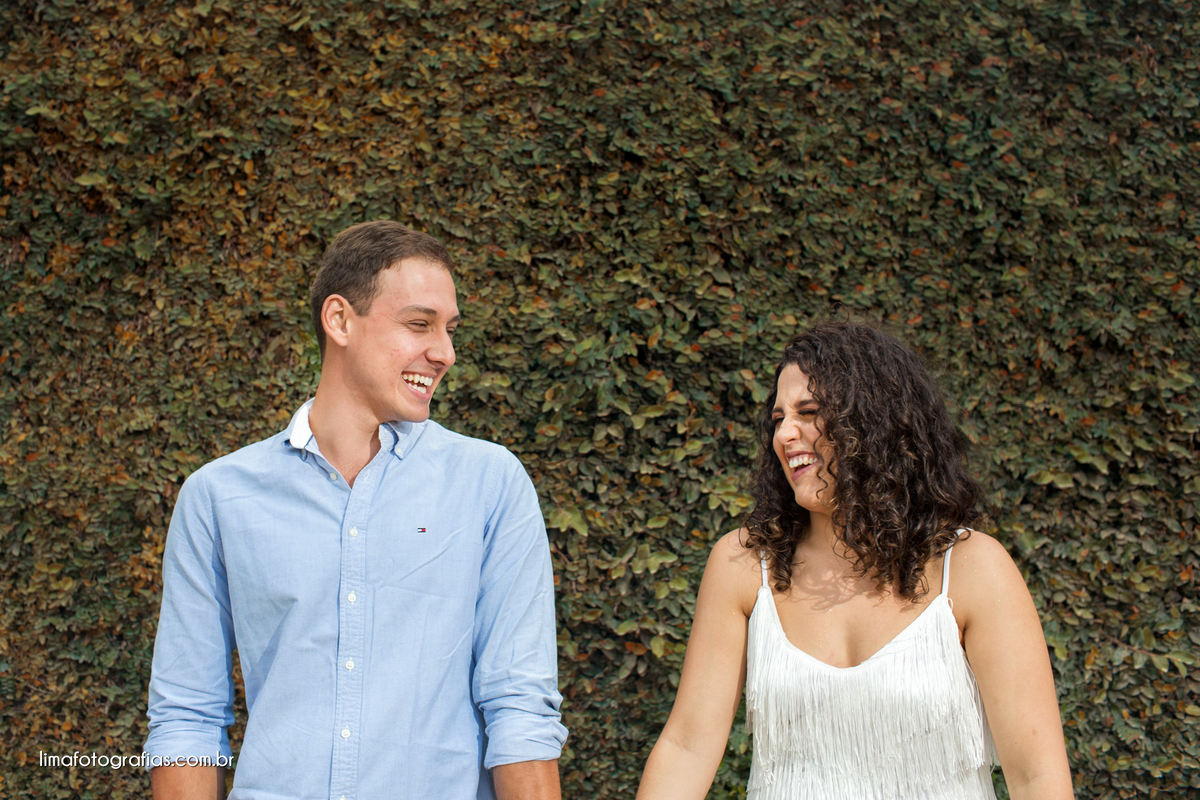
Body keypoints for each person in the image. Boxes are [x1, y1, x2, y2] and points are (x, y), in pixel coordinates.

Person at [145, 221, 566, 800]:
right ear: (340, 320)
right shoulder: (218, 497)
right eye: (419, 324)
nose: (444, 353)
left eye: (450, 330)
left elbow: (520, 707)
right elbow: (186, 716)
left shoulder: (490, 484)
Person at [637, 321, 1073, 800]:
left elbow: (1037, 778)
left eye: (809, 412)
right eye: (779, 418)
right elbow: (687, 748)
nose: (784, 434)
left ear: (874, 423)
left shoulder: (973, 568)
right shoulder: (742, 564)